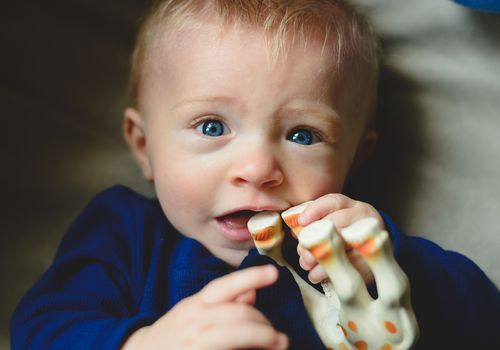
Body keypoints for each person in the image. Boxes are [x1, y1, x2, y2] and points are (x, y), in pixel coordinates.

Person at [11, 1, 500, 349]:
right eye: (212, 126)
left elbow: (486, 325)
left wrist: (395, 265)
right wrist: (143, 343)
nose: (258, 170)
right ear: (144, 146)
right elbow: (41, 327)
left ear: (354, 160)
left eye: (303, 135)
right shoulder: (125, 233)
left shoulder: (352, 249)